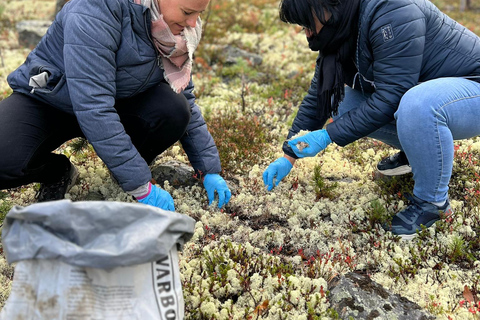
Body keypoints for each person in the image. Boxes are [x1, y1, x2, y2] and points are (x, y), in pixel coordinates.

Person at [263, 0, 480, 239]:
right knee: (341, 101)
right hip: (432, 92)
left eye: (307, 23)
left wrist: (328, 135)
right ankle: (416, 155)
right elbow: (319, 97)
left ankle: (432, 204)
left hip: (472, 89)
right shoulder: (339, 28)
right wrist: (289, 154)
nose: (307, 33)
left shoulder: (392, 11)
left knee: (418, 104)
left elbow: (392, 96)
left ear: (324, 5)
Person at [0, 0, 231, 210]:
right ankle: (58, 172)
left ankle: (123, 173)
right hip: (53, 100)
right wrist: (142, 187)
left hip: (118, 102)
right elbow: (94, 106)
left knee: (174, 108)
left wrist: (208, 169)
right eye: (188, 12)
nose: (192, 23)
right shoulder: (94, 10)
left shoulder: (172, 33)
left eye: (199, 14)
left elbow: (185, 95)